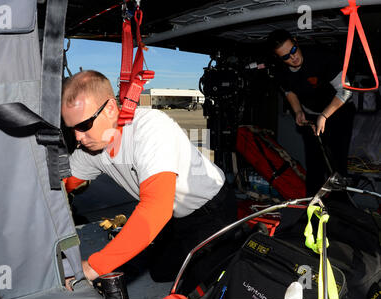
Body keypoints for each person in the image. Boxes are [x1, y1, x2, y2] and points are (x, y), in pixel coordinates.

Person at [61, 70, 238, 283]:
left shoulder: (150, 129)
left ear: (109, 109)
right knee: (161, 273)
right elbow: (58, 188)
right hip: (176, 215)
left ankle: (236, 246)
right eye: (72, 129)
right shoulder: (90, 148)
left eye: (83, 125)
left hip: (212, 209)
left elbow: (156, 208)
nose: (78, 137)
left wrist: (93, 266)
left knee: (198, 284)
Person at [267, 29, 355, 197]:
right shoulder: (280, 71)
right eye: (286, 57)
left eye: (293, 50)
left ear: (295, 41)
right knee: (314, 163)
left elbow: (345, 91)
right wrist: (298, 111)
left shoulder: (321, 57)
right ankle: (313, 206)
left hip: (339, 111)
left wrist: (324, 116)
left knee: (336, 161)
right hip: (311, 114)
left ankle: (341, 206)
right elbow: (289, 92)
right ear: (279, 58)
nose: (293, 57)